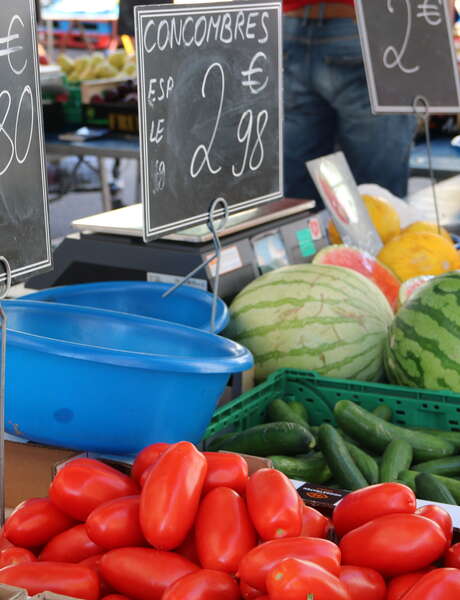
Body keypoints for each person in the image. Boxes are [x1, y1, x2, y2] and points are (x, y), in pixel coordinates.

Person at [283, 1, 418, 204]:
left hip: (292, 25)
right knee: (378, 200)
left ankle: (305, 234)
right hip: (367, 26)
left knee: (299, 206)